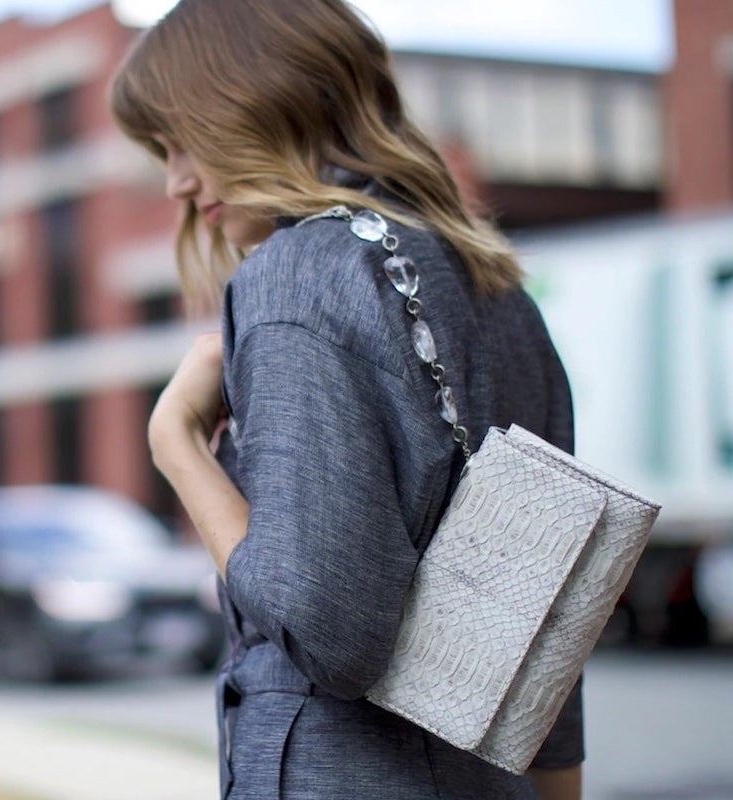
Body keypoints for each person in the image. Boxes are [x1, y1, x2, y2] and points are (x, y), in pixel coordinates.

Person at [110, 1, 584, 798]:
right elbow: (545, 643)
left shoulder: (298, 274)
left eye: (181, 139)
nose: (178, 183)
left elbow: (327, 631)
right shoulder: (501, 295)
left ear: (259, 100)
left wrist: (178, 448)